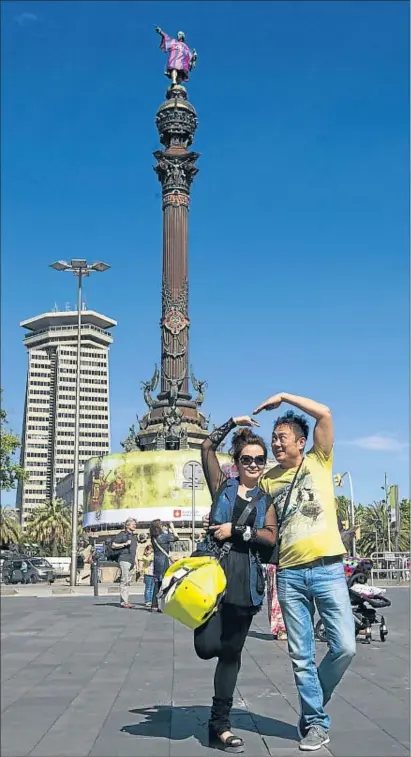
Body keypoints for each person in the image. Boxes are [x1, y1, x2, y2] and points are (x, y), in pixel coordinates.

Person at [254, 392, 356, 752]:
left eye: (282, 438)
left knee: (344, 646)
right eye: (274, 438)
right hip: (290, 575)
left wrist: (282, 397)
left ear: (301, 442)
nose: (276, 443)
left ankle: (313, 705)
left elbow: (325, 412)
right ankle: (315, 722)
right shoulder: (268, 482)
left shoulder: (319, 461)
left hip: (328, 568)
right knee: (301, 655)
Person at [196, 416, 277, 753]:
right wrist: (232, 422)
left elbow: (270, 540)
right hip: (213, 580)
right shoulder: (223, 487)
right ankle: (219, 721)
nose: (254, 464)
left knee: (231, 655)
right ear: (237, 462)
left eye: (260, 459)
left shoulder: (266, 501)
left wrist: (238, 530)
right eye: (247, 459)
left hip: (246, 585)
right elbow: (206, 447)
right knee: (206, 647)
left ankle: (220, 725)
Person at [150, 519, 179, 613]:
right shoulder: (163, 537)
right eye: (161, 525)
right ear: (159, 527)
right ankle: (164, 605)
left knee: (157, 583)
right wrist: (172, 526)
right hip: (163, 561)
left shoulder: (153, 537)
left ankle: (154, 605)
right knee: (165, 583)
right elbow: (176, 537)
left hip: (157, 560)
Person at [111, 518, 138, 609]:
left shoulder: (134, 537)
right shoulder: (122, 534)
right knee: (124, 580)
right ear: (127, 525)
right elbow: (113, 545)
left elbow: (135, 551)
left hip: (131, 560)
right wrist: (125, 544)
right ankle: (124, 602)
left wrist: (136, 563)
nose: (134, 525)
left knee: (128, 581)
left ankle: (126, 600)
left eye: (135, 524)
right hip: (124, 559)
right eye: (132, 524)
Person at [266, 563, 287, 640]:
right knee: (278, 599)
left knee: (272, 598)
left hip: (272, 566)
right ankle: (281, 630)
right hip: (279, 567)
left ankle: (277, 629)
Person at [140, 543, 155, 608]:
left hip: (153, 573)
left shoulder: (153, 556)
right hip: (148, 574)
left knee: (152, 588)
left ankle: (151, 600)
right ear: (146, 551)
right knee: (148, 588)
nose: (151, 552)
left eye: (152, 551)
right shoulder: (145, 557)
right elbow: (148, 559)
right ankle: (147, 601)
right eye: (150, 551)